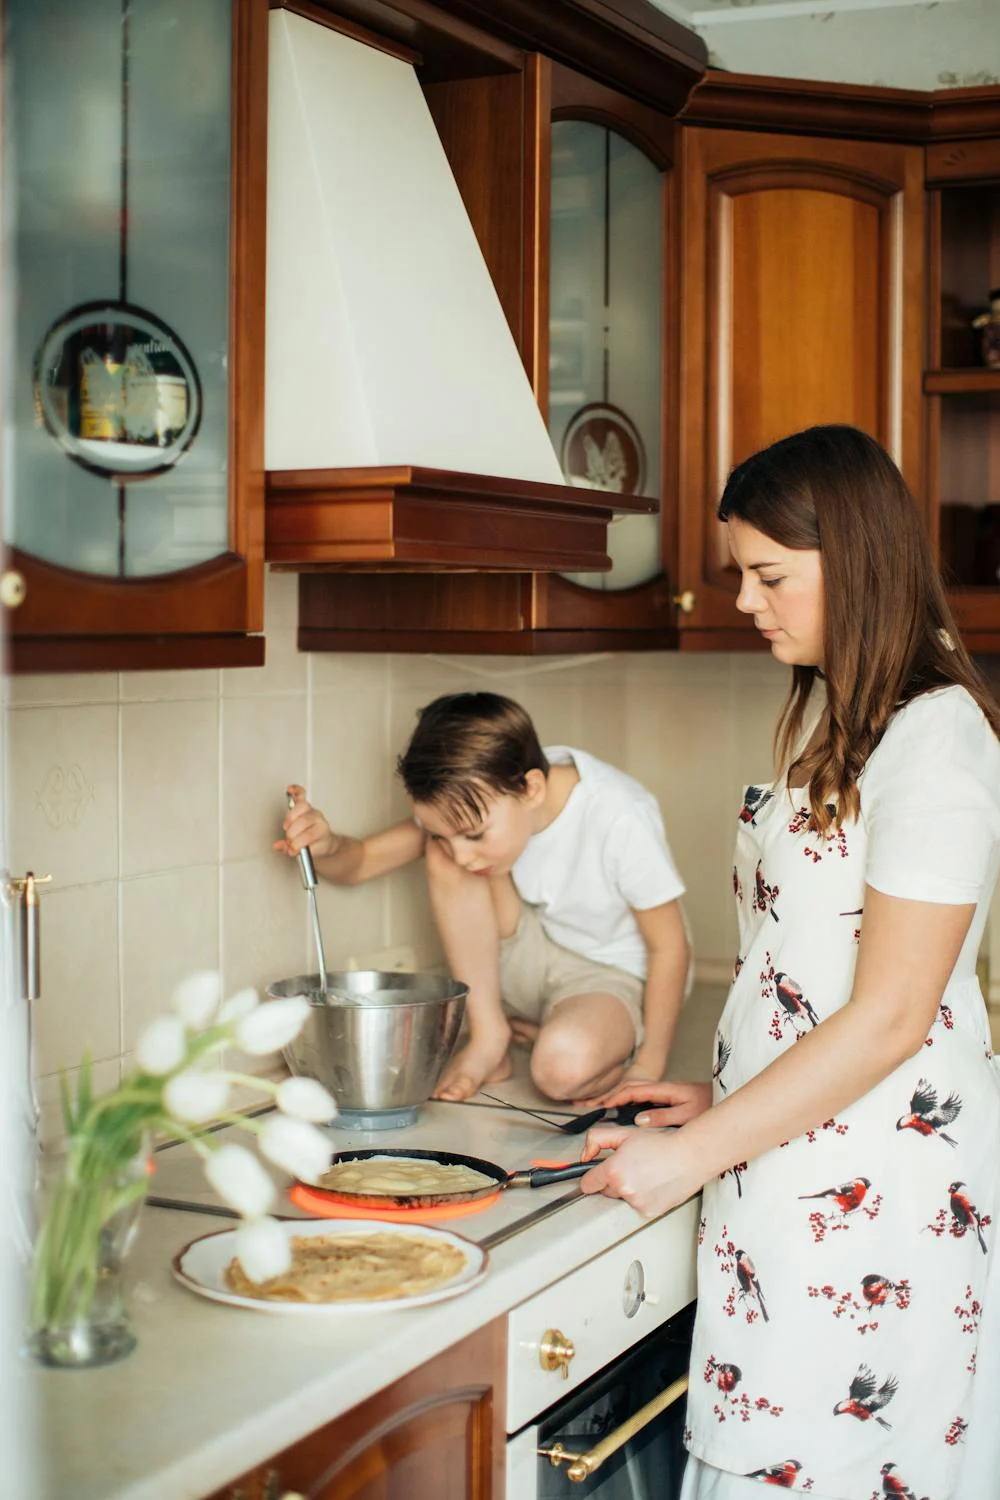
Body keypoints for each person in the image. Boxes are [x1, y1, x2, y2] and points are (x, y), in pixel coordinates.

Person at [578, 425, 1000, 1499]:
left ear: (853, 558)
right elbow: (803, 965)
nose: (744, 601)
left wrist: (699, 1149)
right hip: (798, 1156)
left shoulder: (938, 738)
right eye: (739, 575)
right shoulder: (842, 715)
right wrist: (718, 1089)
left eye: (769, 575)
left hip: (875, 1205)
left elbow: (893, 1015)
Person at [276, 691, 691, 1103]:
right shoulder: (479, 793)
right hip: (534, 952)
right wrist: (325, 845)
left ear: (532, 788)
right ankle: (491, 1037)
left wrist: (646, 1069)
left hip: (611, 973)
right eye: (443, 832)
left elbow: (670, 948)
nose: (461, 852)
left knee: (560, 1070)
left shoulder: (618, 814)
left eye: (474, 835)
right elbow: (362, 862)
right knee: (440, 856)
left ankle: (572, 1033)